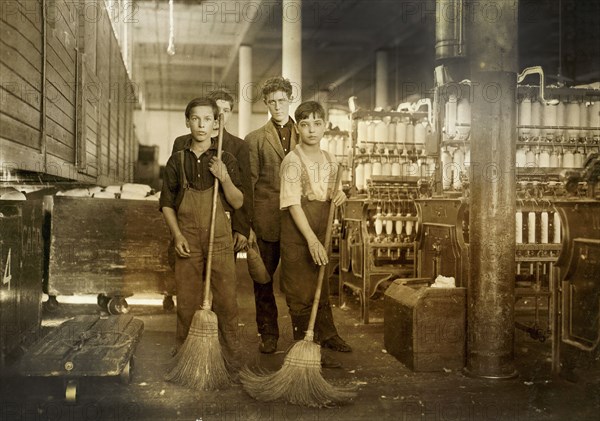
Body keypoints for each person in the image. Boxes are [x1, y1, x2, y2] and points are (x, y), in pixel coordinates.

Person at [160, 97, 243, 367]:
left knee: (227, 301)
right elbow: (166, 204)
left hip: (219, 239)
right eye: (195, 119)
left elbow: (238, 201)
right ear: (187, 122)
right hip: (188, 239)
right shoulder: (177, 161)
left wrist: (225, 177)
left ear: (216, 123)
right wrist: (178, 236)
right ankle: (186, 354)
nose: (201, 125)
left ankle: (229, 358)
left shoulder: (225, 158)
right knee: (186, 300)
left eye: (207, 119)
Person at [279, 100, 352, 367]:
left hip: (321, 232)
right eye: (305, 124)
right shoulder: (292, 161)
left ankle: (328, 335)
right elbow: (293, 205)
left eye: (317, 124)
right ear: (297, 128)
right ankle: (304, 343)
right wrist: (311, 241)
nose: (311, 130)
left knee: (320, 283)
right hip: (298, 237)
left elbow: (334, 193)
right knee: (300, 291)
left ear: (325, 127)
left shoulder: (331, 161)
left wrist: (340, 195)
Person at [245, 76, 298, 354]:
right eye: (272, 102)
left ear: (290, 100)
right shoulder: (254, 140)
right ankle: (268, 334)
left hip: (299, 222)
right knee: (262, 281)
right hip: (266, 224)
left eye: (282, 100)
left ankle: (305, 336)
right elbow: (249, 186)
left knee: (301, 282)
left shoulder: (304, 134)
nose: (277, 106)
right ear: (266, 104)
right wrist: (249, 227)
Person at [172, 89, 252, 253]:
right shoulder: (181, 143)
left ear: (231, 113)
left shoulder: (239, 146)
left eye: (226, 110)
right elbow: (175, 188)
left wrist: (242, 229)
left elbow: (246, 190)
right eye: (217, 109)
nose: (221, 115)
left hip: (225, 223)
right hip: (189, 223)